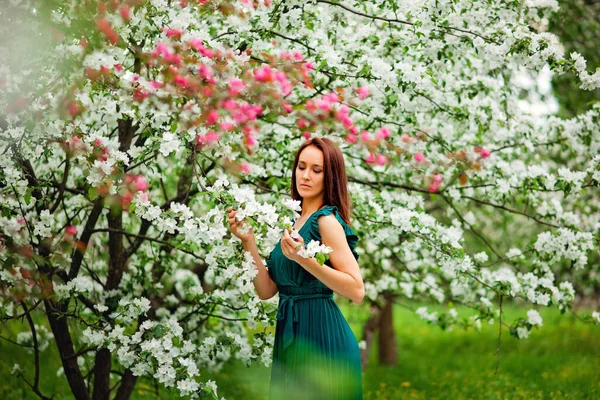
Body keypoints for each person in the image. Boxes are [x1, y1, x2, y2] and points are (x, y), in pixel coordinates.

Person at [227, 137, 364, 399]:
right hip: (291, 332)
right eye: (301, 167)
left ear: (330, 176)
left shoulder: (326, 222)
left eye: (317, 170)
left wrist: (305, 259)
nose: (306, 176)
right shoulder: (294, 222)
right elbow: (267, 290)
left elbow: (357, 290)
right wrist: (248, 241)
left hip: (323, 339)